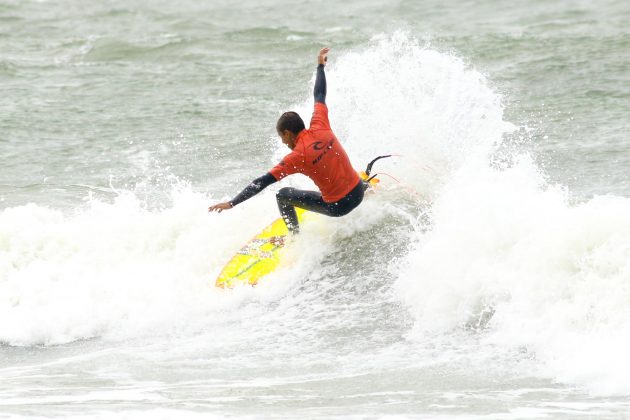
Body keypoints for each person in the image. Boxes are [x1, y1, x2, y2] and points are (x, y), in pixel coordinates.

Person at [208, 47, 365, 234]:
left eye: (282, 137)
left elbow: (262, 181)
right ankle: (367, 186)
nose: (283, 142)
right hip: (358, 192)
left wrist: (232, 202)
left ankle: (293, 237)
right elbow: (320, 94)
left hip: (340, 207)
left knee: (282, 195)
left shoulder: (297, 156)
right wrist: (320, 67)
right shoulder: (320, 123)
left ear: (288, 133)